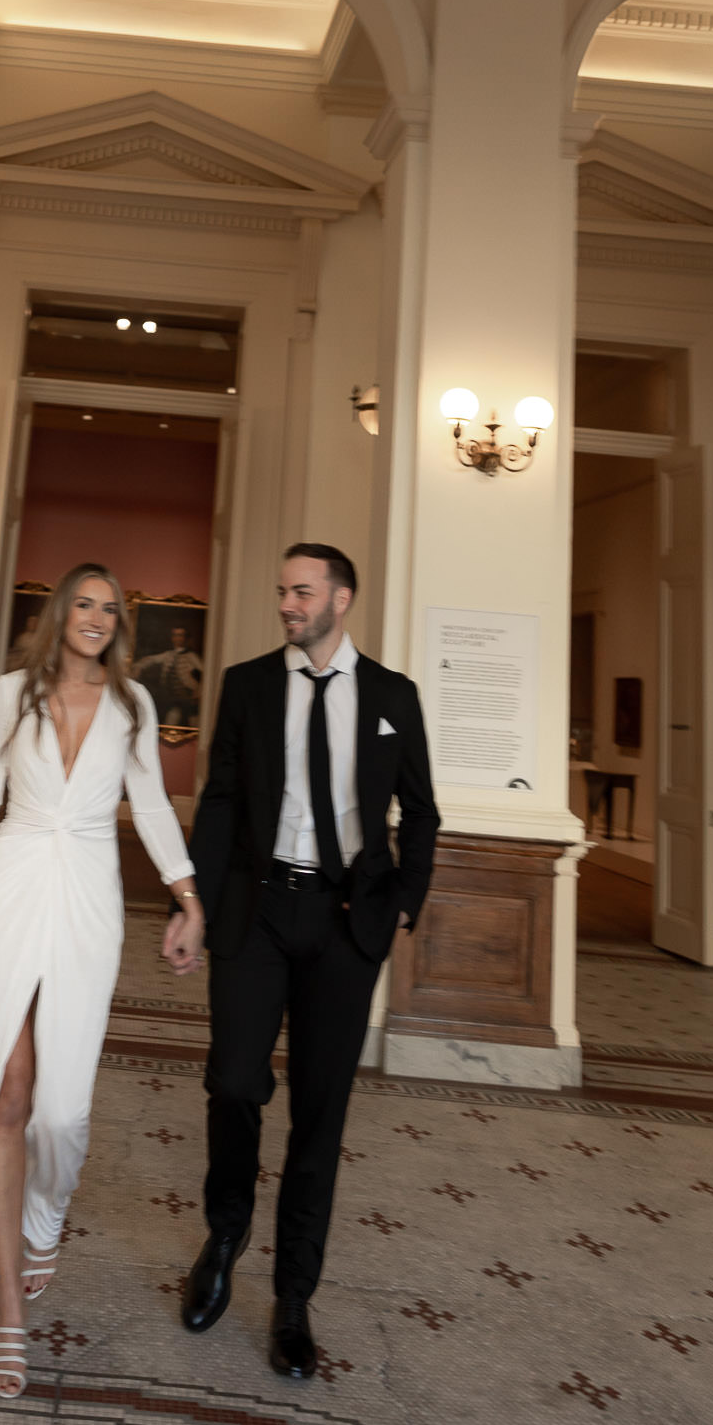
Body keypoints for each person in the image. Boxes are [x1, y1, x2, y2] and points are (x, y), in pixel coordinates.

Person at [0, 561, 205, 1399]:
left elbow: (152, 804)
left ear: (122, 624)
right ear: (60, 614)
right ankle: (11, 1315)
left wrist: (187, 895)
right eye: (82, 604)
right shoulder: (10, 692)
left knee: (64, 1110)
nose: (95, 617)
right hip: (10, 887)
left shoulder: (133, 705)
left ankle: (46, 1214)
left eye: (109, 608)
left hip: (89, 896)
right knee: (8, 1096)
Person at [179, 543, 439, 1380]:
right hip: (257, 912)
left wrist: (400, 902)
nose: (287, 604)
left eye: (301, 591)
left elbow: (421, 813)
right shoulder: (250, 685)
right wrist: (197, 907)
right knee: (233, 1081)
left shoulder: (393, 696)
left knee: (320, 1117)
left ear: (341, 597)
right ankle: (225, 1235)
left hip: (342, 923)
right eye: (281, 591)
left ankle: (294, 1298)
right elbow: (218, 798)